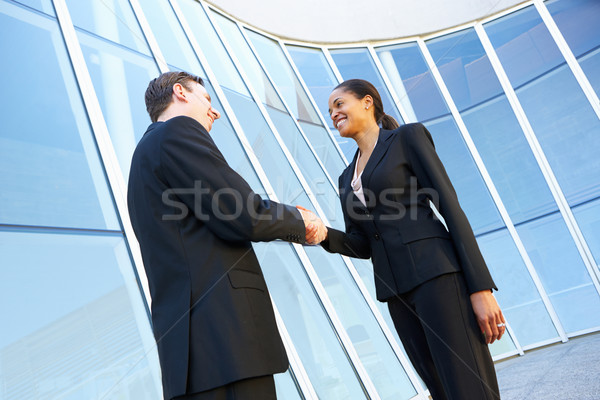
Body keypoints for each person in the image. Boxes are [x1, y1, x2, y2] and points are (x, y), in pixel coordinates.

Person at [127, 71, 324, 400]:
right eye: (206, 99)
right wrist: (299, 221)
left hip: (190, 355)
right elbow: (241, 213)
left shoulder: (142, 159)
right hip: (226, 340)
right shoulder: (178, 132)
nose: (214, 111)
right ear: (180, 93)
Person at [314, 79, 505, 399]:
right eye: (330, 110)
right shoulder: (345, 178)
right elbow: (363, 243)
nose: (333, 113)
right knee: (440, 388)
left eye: (339, 104)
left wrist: (480, 287)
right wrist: (322, 234)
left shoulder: (406, 138)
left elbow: (451, 208)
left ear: (367, 102)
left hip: (437, 276)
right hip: (396, 292)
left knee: (467, 385)